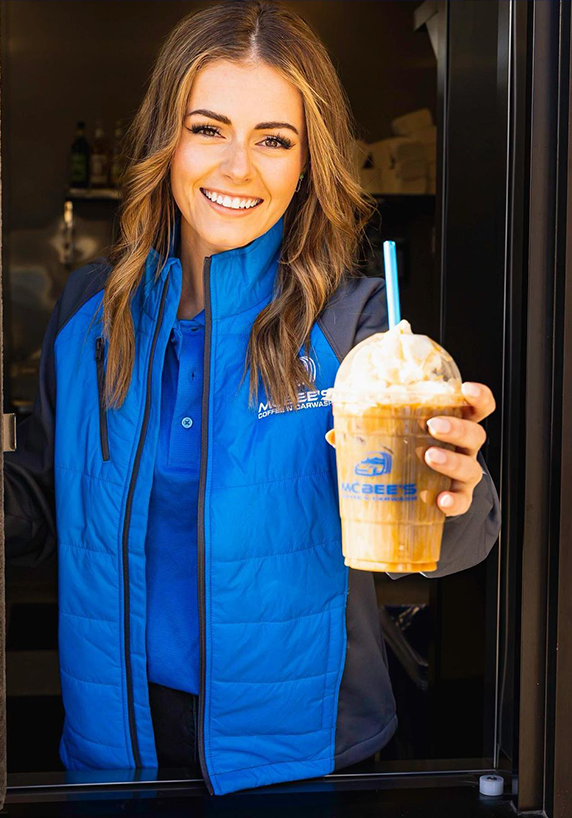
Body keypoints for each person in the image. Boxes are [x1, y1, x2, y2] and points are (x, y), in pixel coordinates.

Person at [4, 0, 501, 797]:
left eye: (274, 140)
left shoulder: (354, 321)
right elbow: (35, 500)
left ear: (307, 162)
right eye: (208, 129)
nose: (239, 168)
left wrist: (455, 488)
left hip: (309, 757)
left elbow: (446, 541)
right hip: (119, 748)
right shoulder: (88, 316)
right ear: (167, 140)